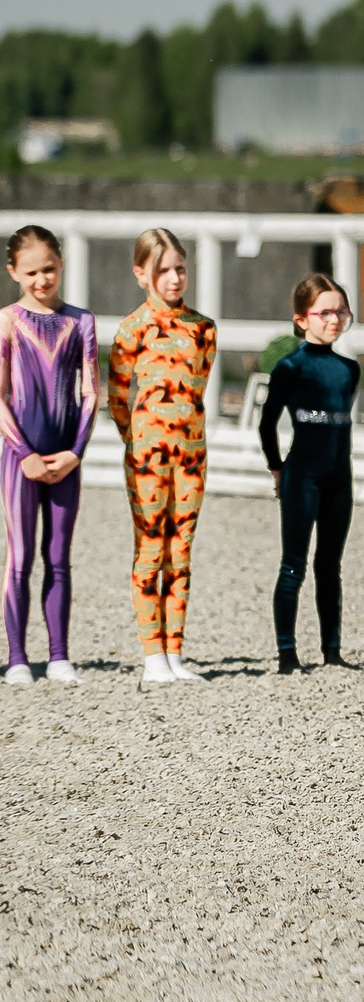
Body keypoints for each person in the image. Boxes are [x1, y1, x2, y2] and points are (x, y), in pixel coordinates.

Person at [111, 229, 217, 685]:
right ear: (142, 274)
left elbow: (200, 390)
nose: (174, 278)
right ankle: (152, 654)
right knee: (151, 550)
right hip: (147, 457)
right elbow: (116, 398)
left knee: (182, 551)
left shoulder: (204, 328)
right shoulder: (132, 328)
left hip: (192, 456)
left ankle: (176, 652)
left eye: (179, 268)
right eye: (162, 270)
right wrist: (137, 441)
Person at [2, 227, 97, 686]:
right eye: (32, 272)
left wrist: (76, 452)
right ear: (14, 272)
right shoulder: (6, 321)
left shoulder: (81, 322)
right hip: (19, 460)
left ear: (61, 264)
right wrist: (23, 453)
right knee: (19, 558)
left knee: (59, 556)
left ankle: (59, 654)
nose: (43, 279)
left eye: (50, 269)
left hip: (65, 460)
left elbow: (91, 393)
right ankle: (18, 656)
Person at [260, 274, 360, 675]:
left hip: (340, 476)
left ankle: (332, 650)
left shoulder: (349, 370)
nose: (333, 320)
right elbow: (267, 424)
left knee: (330, 564)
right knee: (293, 565)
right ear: (302, 319)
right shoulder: (290, 368)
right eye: (324, 313)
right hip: (302, 475)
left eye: (340, 312)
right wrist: (277, 468)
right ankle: (287, 654)